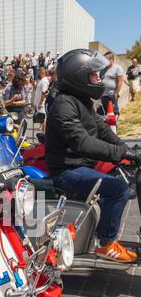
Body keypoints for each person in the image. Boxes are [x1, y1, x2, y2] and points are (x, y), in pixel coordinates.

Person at [45, 48, 139, 263]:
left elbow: (103, 130)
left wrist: (128, 149)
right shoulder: (63, 104)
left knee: (120, 179)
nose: (99, 78)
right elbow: (82, 142)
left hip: (82, 166)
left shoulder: (82, 101)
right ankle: (106, 243)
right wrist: (120, 153)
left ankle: (98, 230)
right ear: (79, 76)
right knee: (117, 189)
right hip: (67, 171)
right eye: (94, 75)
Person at [97, 51, 124, 117]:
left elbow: (120, 81)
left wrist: (116, 93)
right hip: (103, 95)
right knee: (102, 113)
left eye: (106, 60)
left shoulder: (117, 68)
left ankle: (114, 126)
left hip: (111, 95)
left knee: (112, 114)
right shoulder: (102, 69)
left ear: (111, 60)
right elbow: (101, 79)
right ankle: (105, 126)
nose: (104, 61)